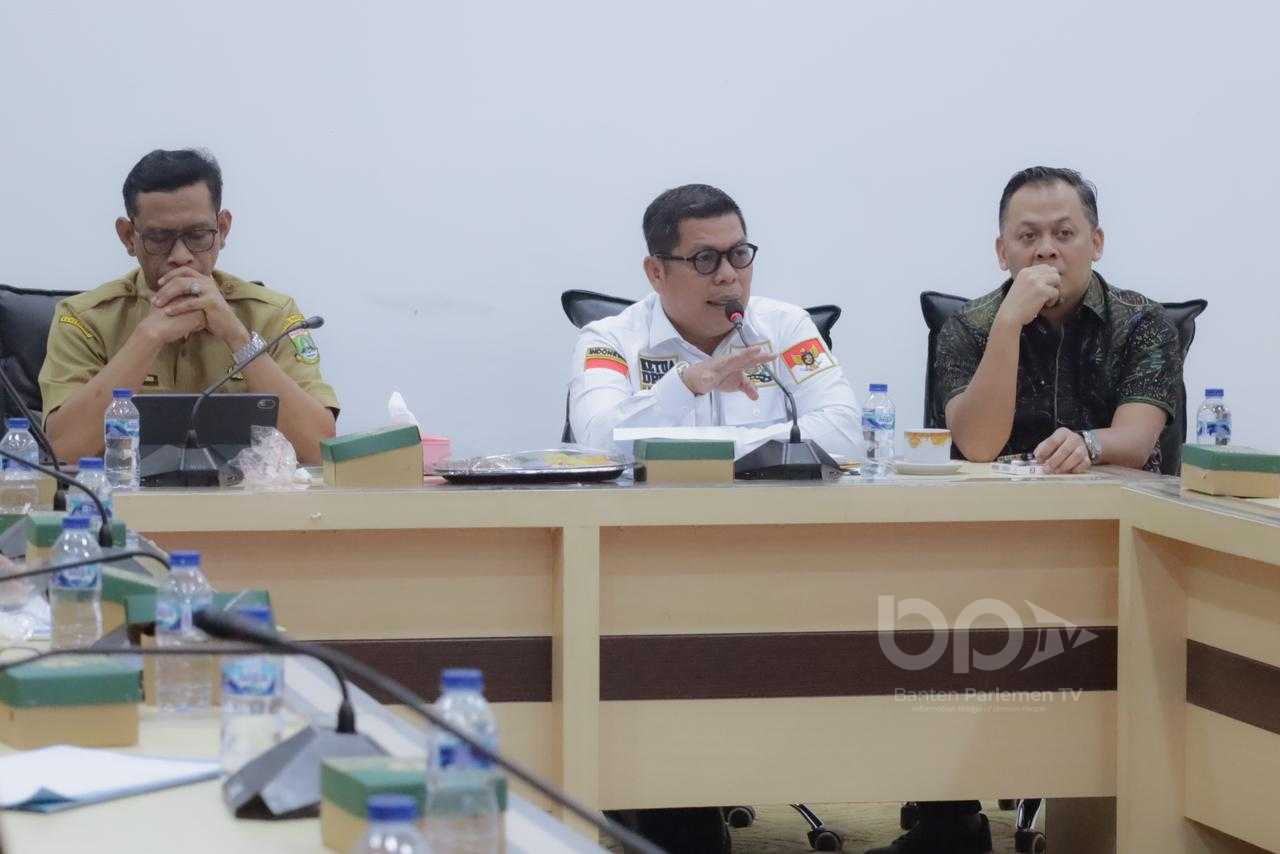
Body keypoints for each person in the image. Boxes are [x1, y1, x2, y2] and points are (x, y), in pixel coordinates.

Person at [869, 167, 1184, 854]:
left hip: (1114, 542)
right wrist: (1009, 323)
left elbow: (1137, 439)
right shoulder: (968, 326)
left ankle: (1111, 803)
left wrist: (1089, 443)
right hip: (989, 539)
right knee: (926, 620)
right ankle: (951, 819)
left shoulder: (1143, 322)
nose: (1047, 250)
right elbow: (978, 444)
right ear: (1001, 250)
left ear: (1096, 242)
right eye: (1028, 236)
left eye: (1064, 234)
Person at [39, 149, 338, 464]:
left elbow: (319, 451)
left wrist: (238, 337)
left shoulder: (272, 314)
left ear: (222, 229)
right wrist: (147, 338)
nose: (180, 256)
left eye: (197, 235)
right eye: (158, 238)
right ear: (128, 237)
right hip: (124, 493)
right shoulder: (84, 319)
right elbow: (64, 452)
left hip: (242, 494)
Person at [568, 183, 861, 461]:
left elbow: (845, 435)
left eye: (739, 254)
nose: (729, 275)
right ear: (656, 272)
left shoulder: (787, 327)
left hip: (764, 500)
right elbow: (597, 444)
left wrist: (712, 449)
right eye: (705, 259)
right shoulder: (609, 340)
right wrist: (684, 386)